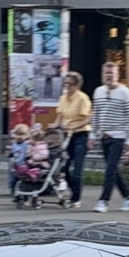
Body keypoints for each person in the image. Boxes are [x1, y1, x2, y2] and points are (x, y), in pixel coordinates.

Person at [90, 59, 129, 212]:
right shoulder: (98, 91)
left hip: (119, 135)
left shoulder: (125, 92)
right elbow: (95, 115)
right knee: (113, 170)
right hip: (104, 136)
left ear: (117, 75)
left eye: (111, 73)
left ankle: (104, 201)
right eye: (106, 73)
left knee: (110, 169)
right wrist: (92, 135)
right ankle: (128, 197)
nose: (109, 76)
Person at [52, 70, 94, 205]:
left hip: (80, 134)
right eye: (65, 84)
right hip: (66, 136)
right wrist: (52, 126)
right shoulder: (63, 98)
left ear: (77, 85)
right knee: (64, 167)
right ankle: (72, 192)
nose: (67, 87)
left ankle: (77, 198)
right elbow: (59, 118)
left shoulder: (82, 98)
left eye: (70, 84)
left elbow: (87, 119)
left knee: (77, 168)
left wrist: (74, 127)